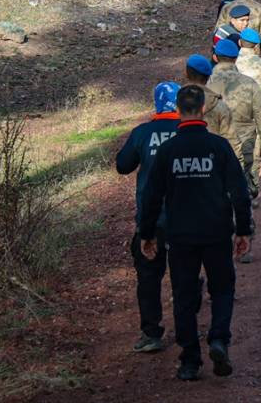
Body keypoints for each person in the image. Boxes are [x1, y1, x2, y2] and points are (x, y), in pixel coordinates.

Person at [139, 85, 252, 382]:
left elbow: (151, 197)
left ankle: (190, 360)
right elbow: (239, 192)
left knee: (184, 297)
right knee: (223, 289)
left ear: (178, 111)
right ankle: (218, 339)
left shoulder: (168, 151)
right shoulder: (219, 147)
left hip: (181, 238)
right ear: (202, 109)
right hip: (216, 233)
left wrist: (147, 233)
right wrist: (243, 230)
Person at [115, 81, 181, 355]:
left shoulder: (142, 133)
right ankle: (187, 327)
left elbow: (123, 165)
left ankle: (151, 333)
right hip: (185, 220)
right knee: (184, 275)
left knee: (148, 278)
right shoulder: (189, 133)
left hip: (150, 222)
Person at [209, 40, 261, 231]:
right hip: (246, 141)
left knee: (216, 187)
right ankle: (245, 231)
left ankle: (220, 231)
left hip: (215, 144)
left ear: (215, 57)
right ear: (236, 57)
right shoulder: (249, 84)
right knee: (243, 185)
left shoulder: (206, 85)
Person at [183, 54, 233, 141]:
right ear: (208, 78)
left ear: (186, 74)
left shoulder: (176, 101)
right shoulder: (220, 105)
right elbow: (230, 138)